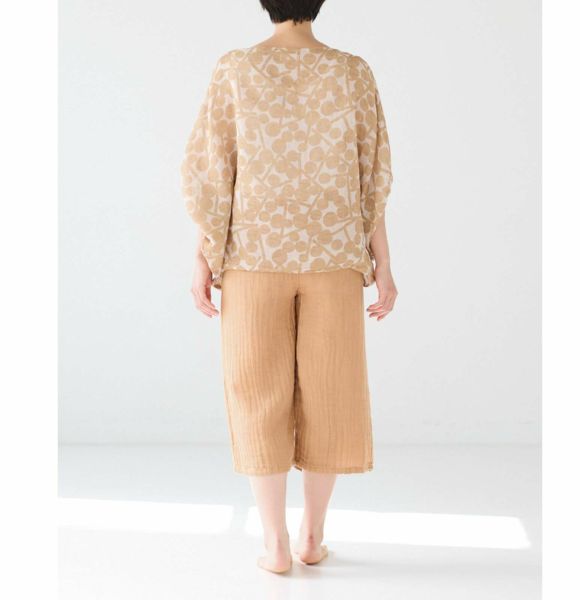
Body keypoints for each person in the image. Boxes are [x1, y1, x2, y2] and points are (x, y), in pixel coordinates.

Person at [180, 0, 397, 574]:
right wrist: (384, 264)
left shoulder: (235, 67)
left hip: (253, 257)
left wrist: (204, 257)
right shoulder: (351, 71)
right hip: (335, 258)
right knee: (332, 393)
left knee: (257, 395)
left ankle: (274, 543)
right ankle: (312, 535)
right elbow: (371, 177)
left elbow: (214, 174)